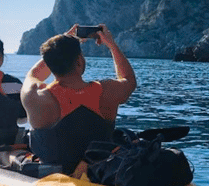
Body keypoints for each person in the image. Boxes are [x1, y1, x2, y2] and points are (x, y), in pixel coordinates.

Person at [20, 24, 136, 175]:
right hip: (98, 172)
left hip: (54, 173)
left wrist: (56, 48)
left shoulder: (36, 98)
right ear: (79, 61)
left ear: (49, 64)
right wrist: (111, 44)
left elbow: (33, 75)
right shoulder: (106, 91)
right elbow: (128, 79)